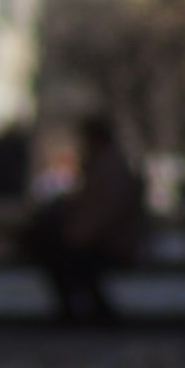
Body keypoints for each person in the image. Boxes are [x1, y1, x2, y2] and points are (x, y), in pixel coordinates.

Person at [18, 115, 146, 326]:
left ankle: (84, 312)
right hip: (104, 240)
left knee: (62, 256)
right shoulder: (105, 166)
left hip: (110, 243)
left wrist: (75, 234)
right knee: (63, 256)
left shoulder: (109, 169)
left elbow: (103, 214)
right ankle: (92, 311)